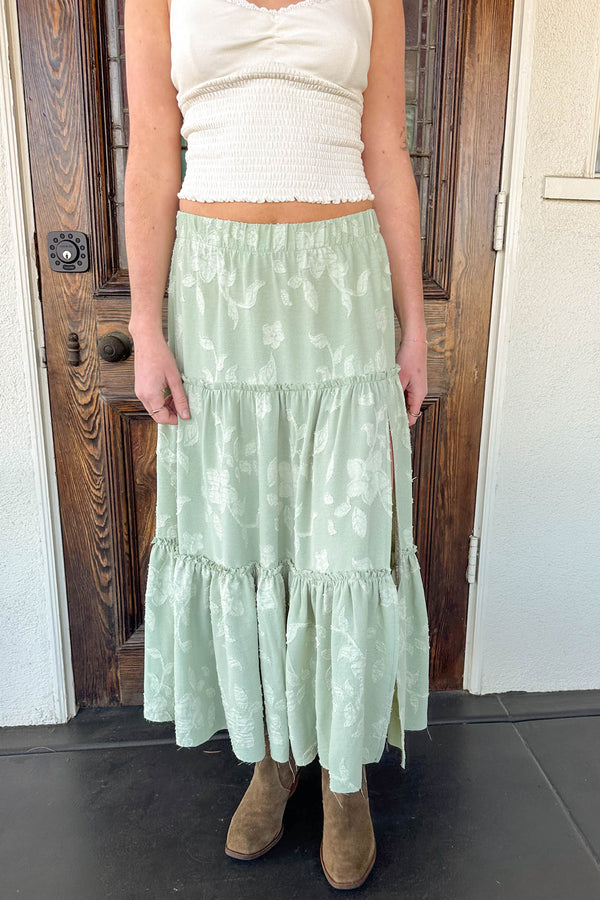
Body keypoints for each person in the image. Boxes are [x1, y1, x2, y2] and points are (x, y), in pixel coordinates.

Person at [124, 0, 430, 889]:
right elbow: (152, 152)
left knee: (341, 540)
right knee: (244, 535)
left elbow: (385, 151)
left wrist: (414, 328)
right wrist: (147, 323)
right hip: (217, 298)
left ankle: (343, 777)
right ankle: (271, 755)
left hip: (343, 283)